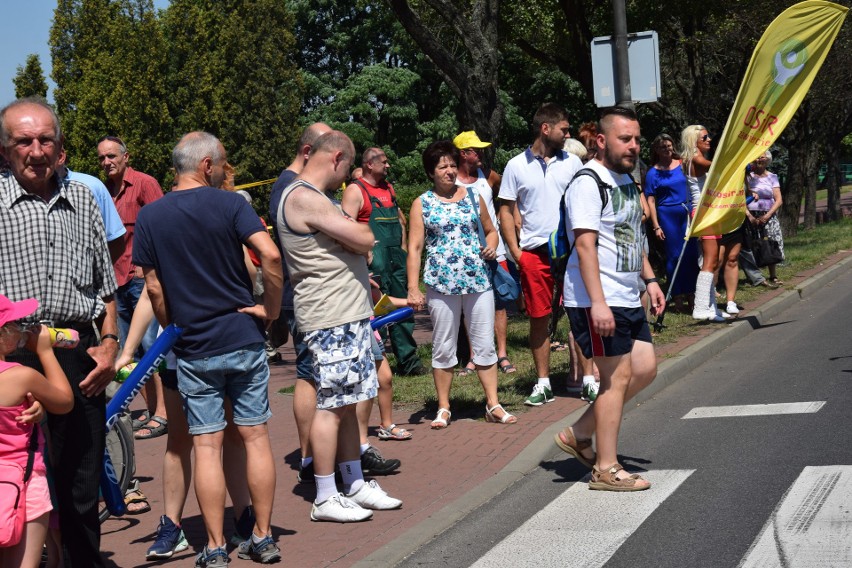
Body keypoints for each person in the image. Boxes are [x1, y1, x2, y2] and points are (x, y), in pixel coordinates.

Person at [134, 131, 283, 566]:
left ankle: (215, 546)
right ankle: (263, 535)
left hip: (195, 345)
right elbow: (270, 257)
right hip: (242, 336)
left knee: (206, 446)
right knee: (255, 437)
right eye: (220, 164)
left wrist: (172, 325)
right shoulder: (233, 204)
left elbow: (154, 285)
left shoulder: (151, 217)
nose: (222, 171)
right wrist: (268, 310)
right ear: (206, 165)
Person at [0, 97, 119, 567]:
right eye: (23, 141)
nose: (36, 150)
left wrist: (109, 346)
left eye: (45, 139)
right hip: (14, 358)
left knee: (81, 480)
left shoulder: (85, 199)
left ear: (60, 147)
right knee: (18, 477)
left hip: (79, 352)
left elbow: (106, 289)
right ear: (5, 150)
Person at [277, 130, 402, 523]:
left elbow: (360, 241)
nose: (346, 178)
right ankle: (325, 494)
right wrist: (354, 236)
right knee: (331, 406)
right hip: (329, 317)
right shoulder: (303, 196)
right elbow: (365, 236)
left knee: (348, 404)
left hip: (348, 315)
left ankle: (354, 482)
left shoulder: (318, 199)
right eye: (347, 169)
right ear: (337, 159)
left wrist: (352, 238)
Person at [554, 106, 664, 491]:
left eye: (636, 139)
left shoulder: (626, 180)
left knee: (645, 367)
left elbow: (633, 237)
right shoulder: (588, 182)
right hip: (596, 296)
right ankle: (605, 467)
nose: (634, 146)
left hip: (627, 292)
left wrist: (648, 279)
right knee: (614, 380)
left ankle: (580, 432)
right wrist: (598, 303)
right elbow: (585, 247)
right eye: (625, 139)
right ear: (601, 141)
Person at [407, 140, 517, 428]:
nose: (450, 171)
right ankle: (444, 407)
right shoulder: (422, 203)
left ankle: (493, 403)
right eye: (443, 166)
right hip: (441, 284)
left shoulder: (472, 196)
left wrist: (492, 246)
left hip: (478, 281)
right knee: (444, 345)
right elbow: (415, 248)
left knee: (484, 343)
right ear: (431, 172)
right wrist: (412, 287)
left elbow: (491, 231)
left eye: (453, 165)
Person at [498, 103, 582, 406]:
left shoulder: (572, 162)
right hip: (534, 253)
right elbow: (505, 210)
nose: (568, 134)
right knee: (539, 317)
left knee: (579, 314)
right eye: (564, 129)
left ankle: (587, 379)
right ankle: (543, 382)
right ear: (546, 128)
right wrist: (516, 251)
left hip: (570, 253)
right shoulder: (516, 165)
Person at [96, 135, 168, 439]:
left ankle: (164, 414)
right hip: (115, 281)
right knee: (130, 352)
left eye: (112, 156)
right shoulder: (104, 192)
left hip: (141, 279)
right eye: (101, 158)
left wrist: (148, 266)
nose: (106, 162)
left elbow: (164, 225)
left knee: (151, 349)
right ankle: (152, 411)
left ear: (126, 156)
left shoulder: (144, 183)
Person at [0, 297, 74, 568]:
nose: (21, 328)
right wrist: (45, 352)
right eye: (14, 323)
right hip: (24, 480)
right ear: (3, 335)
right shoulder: (20, 377)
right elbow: (65, 401)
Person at [342, 148, 424, 376]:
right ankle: (379, 362)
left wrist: (404, 247)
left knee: (404, 308)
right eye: (384, 162)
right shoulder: (355, 191)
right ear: (369, 164)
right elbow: (345, 228)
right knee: (379, 309)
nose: (388, 166)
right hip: (373, 260)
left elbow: (400, 221)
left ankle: (409, 362)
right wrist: (362, 254)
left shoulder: (388, 188)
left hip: (396, 258)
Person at [452, 130, 516, 375]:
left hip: (494, 249)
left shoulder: (488, 176)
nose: (480, 153)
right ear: (463, 154)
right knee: (470, 304)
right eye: (475, 150)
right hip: (467, 253)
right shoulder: (451, 181)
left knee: (499, 303)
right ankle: (474, 356)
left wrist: (503, 215)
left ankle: (501, 354)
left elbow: (508, 195)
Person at [644, 133, 699, 313]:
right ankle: (677, 296)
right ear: (656, 150)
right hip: (667, 215)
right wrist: (656, 225)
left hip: (686, 212)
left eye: (668, 146)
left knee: (691, 254)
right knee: (674, 256)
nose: (666, 150)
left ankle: (693, 295)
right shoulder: (653, 172)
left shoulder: (682, 164)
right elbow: (650, 201)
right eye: (662, 147)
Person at [682, 125, 729, 322]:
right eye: (705, 137)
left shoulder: (695, 159)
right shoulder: (696, 159)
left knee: (712, 261)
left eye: (709, 136)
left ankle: (711, 307)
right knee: (710, 262)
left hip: (710, 212)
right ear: (694, 141)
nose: (709, 139)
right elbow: (719, 166)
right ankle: (701, 307)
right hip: (703, 213)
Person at [746, 150, 785, 284]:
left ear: (767, 159)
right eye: (756, 158)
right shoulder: (747, 176)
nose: (759, 160)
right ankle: (756, 277)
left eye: (762, 157)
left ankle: (773, 275)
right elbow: (739, 196)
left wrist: (767, 216)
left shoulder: (772, 176)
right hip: (751, 215)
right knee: (753, 244)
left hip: (768, 215)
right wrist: (750, 216)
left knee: (771, 242)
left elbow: (779, 199)